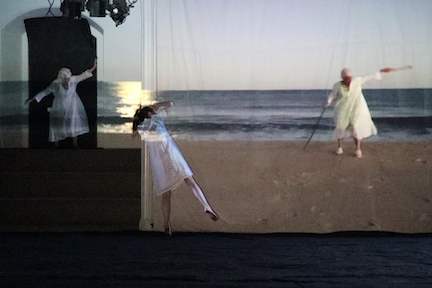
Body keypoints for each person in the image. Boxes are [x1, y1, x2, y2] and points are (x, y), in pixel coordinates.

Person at [133, 101, 219, 235]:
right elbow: (170, 104)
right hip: (172, 157)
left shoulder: (142, 128)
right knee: (191, 182)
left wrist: (147, 111)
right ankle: (206, 206)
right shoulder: (157, 120)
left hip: (159, 163)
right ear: (150, 114)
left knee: (166, 194)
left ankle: (166, 223)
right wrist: (156, 105)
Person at [25, 59, 98, 148]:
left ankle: (75, 144)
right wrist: (33, 99)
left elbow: (84, 75)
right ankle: (56, 144)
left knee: (72, 123)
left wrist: (94, 66)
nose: (67, 80)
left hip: (72, 105)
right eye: (65, 79)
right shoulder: (56, 83)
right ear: (61, 78)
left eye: (68, 78)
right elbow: (45, 92)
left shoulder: (73, 80)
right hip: (60, 105)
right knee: (58, 123)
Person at [326, 67, 397, 158]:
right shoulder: (337, 85)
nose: (349, 80)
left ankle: (358, 149)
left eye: (350, 78)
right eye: (346, 78)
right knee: (340, 127)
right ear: (343, 78)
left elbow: (369, 77)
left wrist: (381, 72)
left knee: (356, 127)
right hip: (342, 108)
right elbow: (333, 94)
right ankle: (339, 147)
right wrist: (329, 100)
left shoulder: (357, 81)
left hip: (356, 108)